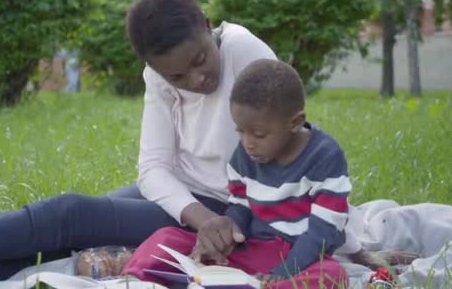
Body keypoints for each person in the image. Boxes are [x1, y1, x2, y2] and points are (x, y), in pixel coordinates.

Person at [0, 0, 411, 285]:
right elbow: (153, 168)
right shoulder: (160, 75)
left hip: (235, 211)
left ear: (207, 27)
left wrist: (333, 241)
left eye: (199, 61)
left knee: (70, 217)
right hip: (188, 200)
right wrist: (196, 215)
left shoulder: (246, 53)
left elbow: (292, 153)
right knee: (73, 224)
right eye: (177, 77)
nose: (196, 80)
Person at [122, 59, 351, 288]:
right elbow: (241, 206)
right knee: (166, 238)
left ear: (295, 122)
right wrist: (228, 232)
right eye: (240, 131)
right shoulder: (246, 155)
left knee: (333, 273)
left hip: (300, 257)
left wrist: (285, 271)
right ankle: (132, 280)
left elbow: (323, 232)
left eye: (259, 134)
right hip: (252, 249)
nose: (248, 143)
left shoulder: (326, 157)